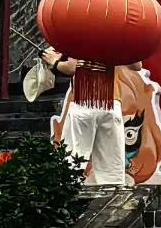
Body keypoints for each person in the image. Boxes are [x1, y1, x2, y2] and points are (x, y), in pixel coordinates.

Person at [43, 47, 131, 187]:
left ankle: (70, 194)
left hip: (84, 101)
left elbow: (72, 67)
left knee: (73, 159)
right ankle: (113, 196)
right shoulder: (117, 37)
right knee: (111, 164)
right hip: (111, 102)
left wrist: (54, 62)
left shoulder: (80, 34)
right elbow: (136, 65)